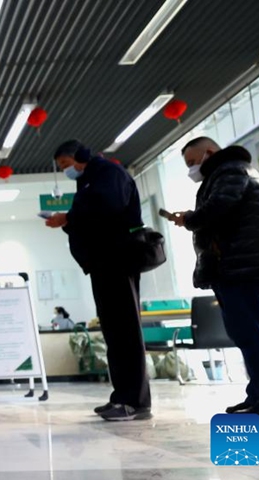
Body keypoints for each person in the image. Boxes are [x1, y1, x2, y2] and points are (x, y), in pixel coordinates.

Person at [45, 139, 152, 421]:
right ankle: (122, 396)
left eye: (66, 165)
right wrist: (69, 221)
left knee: (126, 331)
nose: (66, 171)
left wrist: (67, 218)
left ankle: (136, 402)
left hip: (119, 259)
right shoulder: (90, 180)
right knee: (114, 332)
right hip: (103, 263)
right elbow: (90, 218)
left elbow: (106, 210)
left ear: (81, 156)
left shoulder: (109, 174)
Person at [171, 137, 259, 417]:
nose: (191, 169)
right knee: (245, 333)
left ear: (209, 153)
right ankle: (257, 394)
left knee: (250, 333)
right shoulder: (225, 174)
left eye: (192, 162)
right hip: (234, 266)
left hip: (240, 266)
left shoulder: (230, 171)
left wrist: (190, 218)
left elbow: (221, 205)